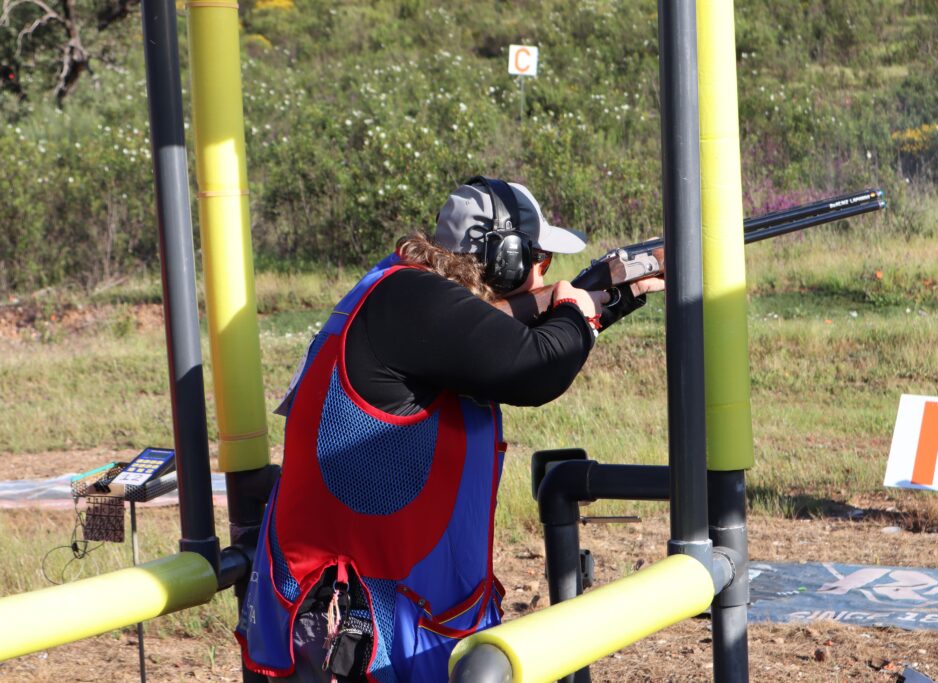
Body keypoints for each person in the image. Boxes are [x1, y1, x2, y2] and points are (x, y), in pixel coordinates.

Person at [236, 176, 662, 682]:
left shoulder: (398, 289)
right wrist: (574, 311)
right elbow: (535, 368)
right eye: (541, 260)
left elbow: (496, 342)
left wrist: (607, 302)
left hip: (370, 623)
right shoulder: (410, 300)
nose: (544, 274)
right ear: (504, 259)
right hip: (352, 632)